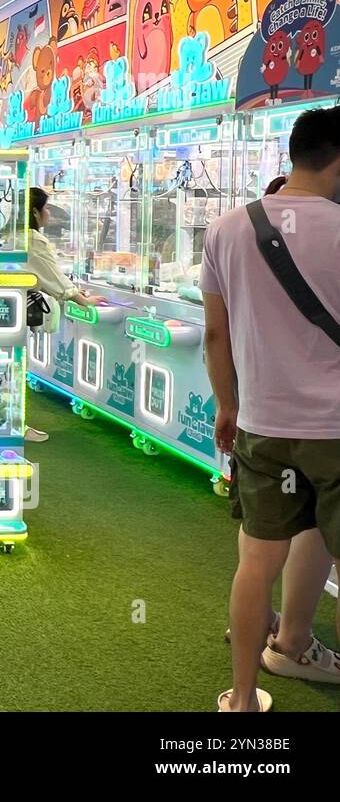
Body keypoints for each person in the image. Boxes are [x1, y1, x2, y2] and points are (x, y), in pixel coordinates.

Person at [202, 106, 340, 712]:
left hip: (261, 422)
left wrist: (229, 405)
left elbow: (216, 335)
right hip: (336, 431)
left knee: (256, 561)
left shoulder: (227, 228)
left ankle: (242, 701)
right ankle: (294, 647)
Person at [25, 186, 92, 442]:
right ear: (35, 211)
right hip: (18, 312)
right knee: (17, 366)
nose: (49, 215)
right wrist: (83, 300)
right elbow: (54, 279)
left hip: (5, 310)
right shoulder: (32, 240)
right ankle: (16, 423)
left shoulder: (13, 236)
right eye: (46, 209)